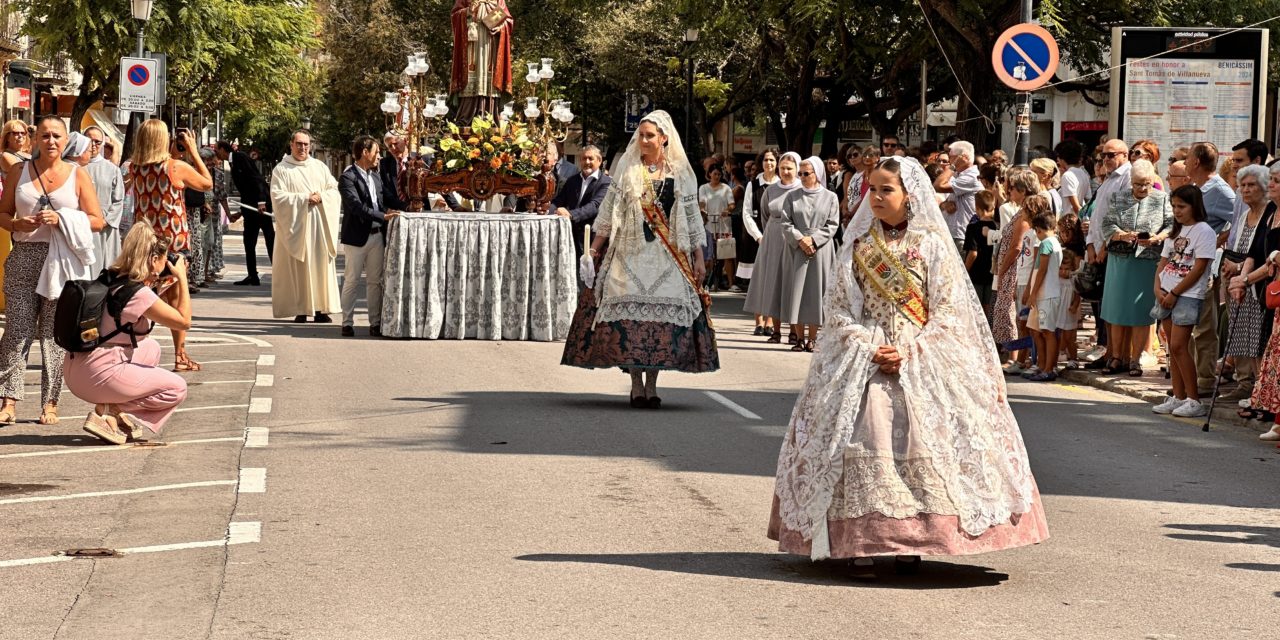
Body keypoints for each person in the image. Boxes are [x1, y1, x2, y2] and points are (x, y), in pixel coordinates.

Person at [768, 156, 1047, 572]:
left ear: (908, 194)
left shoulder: (932, 245)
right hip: (865, 357)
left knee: (932, 437)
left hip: (923, 355)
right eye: (872, 190)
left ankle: (912, 542)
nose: (877, 198)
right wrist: (868, 344)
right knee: (862, 435)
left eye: (887, 190)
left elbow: (949, 312)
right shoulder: (859, 246)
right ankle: (862, 542)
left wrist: (912, 349)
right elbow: (841, 310)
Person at [561, 111, 718, 406]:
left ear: (664, 138)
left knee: (658, 328)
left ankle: (653, 385)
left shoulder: (681, 174)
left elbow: (692, 218)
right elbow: (608, 214)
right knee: (632, 324)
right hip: (630, 254)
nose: (643, 140)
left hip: (667, 256)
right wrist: (593, 251)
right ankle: (636, 384)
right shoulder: (629, 170)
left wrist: (698, 257)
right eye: (641, 135)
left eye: (649, 136)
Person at [0, 115, 106, 426]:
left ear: (65, 140)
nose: (51, 141)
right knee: (17, 331)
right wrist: (16, 224)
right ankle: (8, 400)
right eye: (44, 135)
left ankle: (50, 402)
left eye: (57, 136)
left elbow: (97, 220)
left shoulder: (77, 174)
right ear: (35, 140)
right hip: (24, 257)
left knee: (52, 335)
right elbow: (3, 213)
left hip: (62, 261)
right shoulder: (19, 171)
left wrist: (63, 219)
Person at [66, 225, 192, 444]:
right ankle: (109, 410)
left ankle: (111, 410)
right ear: (154, 260)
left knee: (150, 347)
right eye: (164, 259)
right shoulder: (139, 294)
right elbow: (183, 321)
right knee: (177, 388)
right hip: (96, 375)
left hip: (75, 367)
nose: (167, 264)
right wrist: (181, 278)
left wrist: (157, 281)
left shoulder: (111, 277)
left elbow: (130, 308)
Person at [129, 121, 212, 372]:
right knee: (177, 300)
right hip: (172, 242)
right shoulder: (175, 166)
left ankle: (131, 348)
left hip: (144, 241)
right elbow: (206, 184)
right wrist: (193, 150)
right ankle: (179, 354)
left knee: (144, 297)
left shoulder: (135, 167)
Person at [1099, 159, 1172, 377]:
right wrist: (1123, 235)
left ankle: (1136, 358)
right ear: (1131, 181)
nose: (1142, 188)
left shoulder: (1161, 198)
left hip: (1147, 260)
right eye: (1138, 183)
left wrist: (1156, 238)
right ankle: (1116, 357)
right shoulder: (1119, 197)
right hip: (1120, 259)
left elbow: (1171, 225)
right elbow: (1107, 223)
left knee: (1141, 312)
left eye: (1147, 184)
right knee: (1117, 310)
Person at [1150, 186, 1216, 418]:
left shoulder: (1204, 231)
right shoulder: (1174, 232)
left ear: (1194, 206)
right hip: (1166, 292)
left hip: (1186, 295)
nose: (1177, 211)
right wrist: (1158, 288)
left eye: (1182, 206)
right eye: (1174, 206)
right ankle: (1178, 396)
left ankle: (1193, 399)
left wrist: (1175, 292)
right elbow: (1163, 263)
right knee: (1172, 347)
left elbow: (1199, 267)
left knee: (1179, 345)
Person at [270, 130, 341, 323]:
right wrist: (304, 198)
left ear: (311, 146)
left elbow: (333, 190)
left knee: (319, 267)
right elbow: (278, 197)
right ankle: (301, 309)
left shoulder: (319, 167)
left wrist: (322, 197)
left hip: (319, 225)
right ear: (291, 145)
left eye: (306, 145)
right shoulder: (281, 170)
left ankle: (320, 309)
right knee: (299, 268)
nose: (303, 148)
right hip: (296, 227)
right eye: (299, 144)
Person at [1216, 164, 1270, 403]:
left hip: (1256, 283)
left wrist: (1238, 270)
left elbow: (1261, 254)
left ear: (1264, 187)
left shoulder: (1269, 213)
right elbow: (1236, 247)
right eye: (1242, 186)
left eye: (1251, 185)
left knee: (1256, 336)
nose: (1246, 190)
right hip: (1236, 281)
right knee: (1238, 333)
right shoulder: (1244, 214)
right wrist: (1231, 268)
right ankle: (1243, 382)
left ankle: (1257, 387)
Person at [339, 135, 400, 338]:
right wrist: (383, 216)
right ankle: (347, 322)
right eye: (376, 152)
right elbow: (356, 207)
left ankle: (375, 323)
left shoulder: (375, 176)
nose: (379, 157)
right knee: (352, 281)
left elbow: (387, 199)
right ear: (365, 152)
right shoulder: (347, 178)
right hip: (356, 238)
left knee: (375, 281)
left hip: (377, 237)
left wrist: (408, 207)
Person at [1186, 141, 1234, 391]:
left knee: (1204, 325)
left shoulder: (1220, 190)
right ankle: (1190, 378)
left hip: (1206, 267)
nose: (1184, 163)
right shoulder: (1197, 187)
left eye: (1187, 158)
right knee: (1188, 324)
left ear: (1196, 162)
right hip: (1187, 264)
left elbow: (1241, 219)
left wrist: (1217, 241)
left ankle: (1204, 380)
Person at [778, 156, 839, 352]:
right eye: (800, 173)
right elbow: (785, 223)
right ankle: (799, 337)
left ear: (817, 174)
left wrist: (813, 240)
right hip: (797, 248)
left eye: (807, 173)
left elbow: (832, 224)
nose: (802, 177)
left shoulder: (830, 197)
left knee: (816, 292)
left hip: (820, 249)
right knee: (797, 292)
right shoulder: (792, 196)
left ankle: (813, 338)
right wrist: (800, 239)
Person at [1083, 138, 1133, 371]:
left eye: (1111, 155)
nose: (1106, 159)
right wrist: (1091, 244)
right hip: (1098, 247)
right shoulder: (1106, 180)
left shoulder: (1127, 176)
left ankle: (1117, 354)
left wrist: (1104, 247)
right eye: (1103, 155)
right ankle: (1108, 350)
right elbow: (1096, 217)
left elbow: (1120, 216)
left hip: (1113, 249)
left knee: (1112, 307)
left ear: (1124, 155)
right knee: (1103, 307)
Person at [1238, 164, 1280, 438]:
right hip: (1268, 291)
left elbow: (1272, 262)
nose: (1272, 184)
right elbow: (1255, 250)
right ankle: (1272, 412)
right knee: (1269, 352)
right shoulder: (1272, 212)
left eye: (1276, 180)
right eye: (1272, 179)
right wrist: (1241, 279)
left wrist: (1245, 280)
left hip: (1272, 286)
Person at [744, 152, 803, 345]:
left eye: (790, 168)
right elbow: (764, 214)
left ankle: (795, 330)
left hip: (795, 239)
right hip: (773, 237)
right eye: (783, 168)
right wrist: (767, 235)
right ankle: (775, 330)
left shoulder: (802, 189)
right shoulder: (771, 190)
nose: (785, 172)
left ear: (797, 169)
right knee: (774, 283)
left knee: (792, 284)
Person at [997, 172, 1043, 375]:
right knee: (1015, 315)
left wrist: (1002, 270)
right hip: (1013, 269)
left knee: (1016, 316)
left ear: (1023, 191)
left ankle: (1018, 357)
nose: (1009, 192)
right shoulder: (1019, 212)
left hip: (1016, 270)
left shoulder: (1025, 217)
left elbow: (1016, 247)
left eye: (1013, 188)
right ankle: (1016, 356)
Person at [216, 140, 274, 286]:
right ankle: (252, 275)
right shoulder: (233, 162)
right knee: (249, 241)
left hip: (261, 207)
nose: (216, 153)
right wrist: (241, 212)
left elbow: (257, 179)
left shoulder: (240, 157)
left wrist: (261, 201)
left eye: (217, 150)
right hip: (251, 208)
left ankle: (279, 273)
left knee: (269, 239)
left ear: (223, 150)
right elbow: (247, 189)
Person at [449, 0, 513, 121]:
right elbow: (455, 15)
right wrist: (468, 11)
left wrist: (500, 28)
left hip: (491, 45)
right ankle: (467, 116)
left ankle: (490, 117)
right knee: (470, 74)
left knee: (490, 75)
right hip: (470, 45)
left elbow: (508, 20)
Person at [550, 145, 611, 263]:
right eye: (583, 158)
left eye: (590, 158)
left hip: (592, 240)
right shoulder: (572, 180)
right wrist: (546, 211)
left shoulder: (606, 183)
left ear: (599, 161)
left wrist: (570, 214)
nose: (586, 162)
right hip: (570, 237)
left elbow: (594, 206)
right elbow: (558, 201)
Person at [741, 148, 779, 334]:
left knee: (773, 279)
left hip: (777, 238)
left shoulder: (782, 185)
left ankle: (770, 320)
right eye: (765, 160)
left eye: (772, 160)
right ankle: (759, 321)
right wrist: (758, 236)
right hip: (756, 238)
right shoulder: (753, 184)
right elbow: (747, 213)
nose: (769, 163)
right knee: (757, 280)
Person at [1023, 211, 1063, 381]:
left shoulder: (1047, 243)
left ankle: (1049, 368)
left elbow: (1043, 271)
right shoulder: (1052, 242)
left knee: (1047, 331)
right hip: (1042, 296)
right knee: (1035, 330)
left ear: (1038, 229)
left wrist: (1032, 294)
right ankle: (1041, 365)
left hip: (1047, 295)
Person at [82, 126, 125, 276]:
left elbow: (118, 200)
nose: (93, 145)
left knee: (106, 271)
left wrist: (106, 221)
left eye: (97, 142)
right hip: (83, 226)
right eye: (89, 140)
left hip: (105, 229)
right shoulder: (75, 167)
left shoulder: (112, 169)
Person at [932, 140, 981, 254]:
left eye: (952, 158)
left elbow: (938, 186)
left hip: (962, 235)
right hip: (951, 233)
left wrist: (953, 166)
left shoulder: (971, 177)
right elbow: (943, 198)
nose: (950, 161)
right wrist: (944, 204)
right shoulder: (957, 175)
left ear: (963, 157)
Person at [698, 163, 734, 290]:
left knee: (726, 253)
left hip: (723, 223)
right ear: (709, 175)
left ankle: (731, 283)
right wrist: (702, 210)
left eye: (719, 174)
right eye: (715, 174)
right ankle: (709, 281)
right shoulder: (703, 188)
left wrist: (727, 210)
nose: (717, 176)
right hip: (709, 223)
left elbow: (731, 204)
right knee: (709, 254)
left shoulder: (726, 188)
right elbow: (702, 202)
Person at [964, 190, 999, 320]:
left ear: (977, 208)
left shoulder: (973, 227)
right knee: (988, 307)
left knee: (976, 308)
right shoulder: (997, 227)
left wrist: (965, 270)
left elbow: (973, 253)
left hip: (976, 273)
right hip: (991, 273)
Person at [1057, 212, 1086, 368]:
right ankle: (1061, 351)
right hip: (1060, 297)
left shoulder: (1077, 253)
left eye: (1066, 232)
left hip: (1070, 298)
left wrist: (1076, 303)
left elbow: (1078, 279)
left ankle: (1073, 358)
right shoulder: (1061, 249)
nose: (1063, 235)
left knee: (1070, 332)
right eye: (1060, 232)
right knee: (1060, 330)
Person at [1055, 140, 1091, 214]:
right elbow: (1088, 199)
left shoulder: (1068, 175)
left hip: (1069, 219)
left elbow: (1075, 206)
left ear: (1062, 158)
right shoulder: (1084, 174)